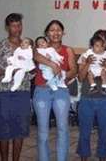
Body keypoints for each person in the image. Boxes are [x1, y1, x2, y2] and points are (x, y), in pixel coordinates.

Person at [33, 20, 77, 161]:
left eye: (58, 30)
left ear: (63, 32)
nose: (55, 32)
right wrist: (52, 64)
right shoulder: (40, 48)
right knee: (43, 132)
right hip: (41, 91)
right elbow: (35, 56)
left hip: (60, 91)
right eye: (52, 30)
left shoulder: (68, 50)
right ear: (47, 33)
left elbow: (74, 70)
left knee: (63, 129)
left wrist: (61, 75)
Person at [0, 13, 33, 161]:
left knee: (20, 129)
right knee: (3, 129)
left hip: (23, 91)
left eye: (19, 25)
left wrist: (30, 69)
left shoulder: (28, 46)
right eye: (14, 25)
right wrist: (10, 71)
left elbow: (32, 69)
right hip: (4, 92)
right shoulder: (0, 46)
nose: (17, 28)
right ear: (7, 27)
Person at [77, 29, 106, 161]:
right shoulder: (85, 56)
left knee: (104, 131)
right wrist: (87, 62)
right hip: (87, 98)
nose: (100, 43)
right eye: (98, 39)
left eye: (104, 40)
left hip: (105, 99)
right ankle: (84, 157)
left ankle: (103, 157)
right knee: (84, 130)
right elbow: (80, 77)